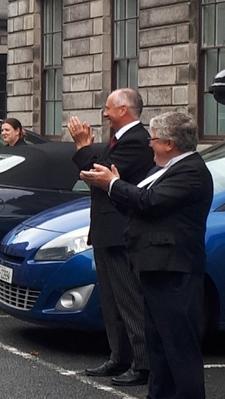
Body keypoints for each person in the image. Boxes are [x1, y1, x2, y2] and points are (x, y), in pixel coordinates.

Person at [79, 112, 212, 399]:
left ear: (169, 143)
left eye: (154, 139)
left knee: (179, 346)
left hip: (174, 269)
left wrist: (112, 184)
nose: (149, 145)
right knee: (159, 344)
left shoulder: (191, 171)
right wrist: (115, 186)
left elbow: (150, 202)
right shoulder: (162, 169)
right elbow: (136, 203)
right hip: (153, 267)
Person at [68, 88, 155, 386]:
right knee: (111, 301)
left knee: (129, 299)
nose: (104, 114)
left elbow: (97, 174)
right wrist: (89, 155)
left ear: (123, 110)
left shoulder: (137, 142)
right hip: (105, 231)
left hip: (121, 232)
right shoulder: (118, 141)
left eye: (108, 109)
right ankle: (119, 357)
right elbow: (96, 177)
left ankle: (142, 364)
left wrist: (82, 146)